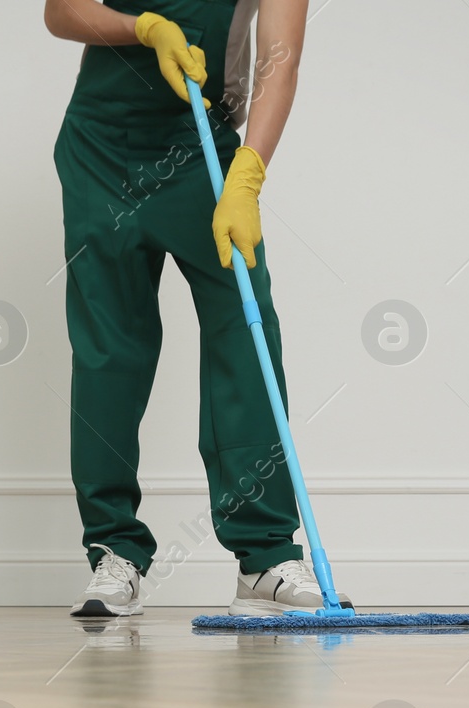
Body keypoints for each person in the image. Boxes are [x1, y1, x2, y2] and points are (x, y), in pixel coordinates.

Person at [44, 0, 322, 618]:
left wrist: (248, 171)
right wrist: (141, 28)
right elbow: (61, 11)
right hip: (99, 150)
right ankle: (114, 551)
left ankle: (266, 556)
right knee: (109, 348)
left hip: (202, 145)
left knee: (245, 335)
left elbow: (282, 55)